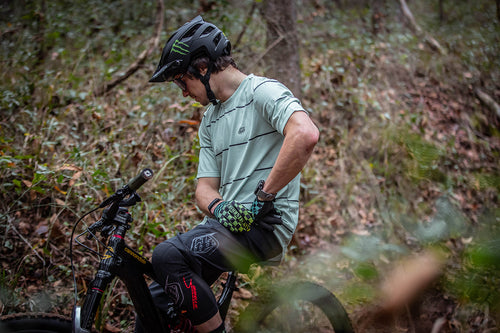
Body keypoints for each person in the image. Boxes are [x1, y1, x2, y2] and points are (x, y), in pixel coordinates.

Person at [140, 15, 319, 333]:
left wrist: (263, 197)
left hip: (265, 225)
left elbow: (305, 134)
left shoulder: (261, 92)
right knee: (154, 304)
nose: (183, 92)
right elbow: (204, 190)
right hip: (227, 226)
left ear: (203, 67)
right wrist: (221, 207)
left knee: (167, 256)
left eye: (183, 81)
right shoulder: (209, 120)